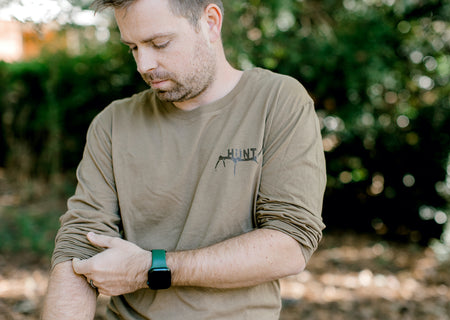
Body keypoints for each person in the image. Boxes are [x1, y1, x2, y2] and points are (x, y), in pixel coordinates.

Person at [41, 0, 326, 318]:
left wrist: (153, 268)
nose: (144, 65)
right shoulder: (113, 123)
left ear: (211, 22)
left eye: (158, 43)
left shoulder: (277, 101)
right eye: (133, 48)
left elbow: (289, 245)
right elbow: (79, 248)